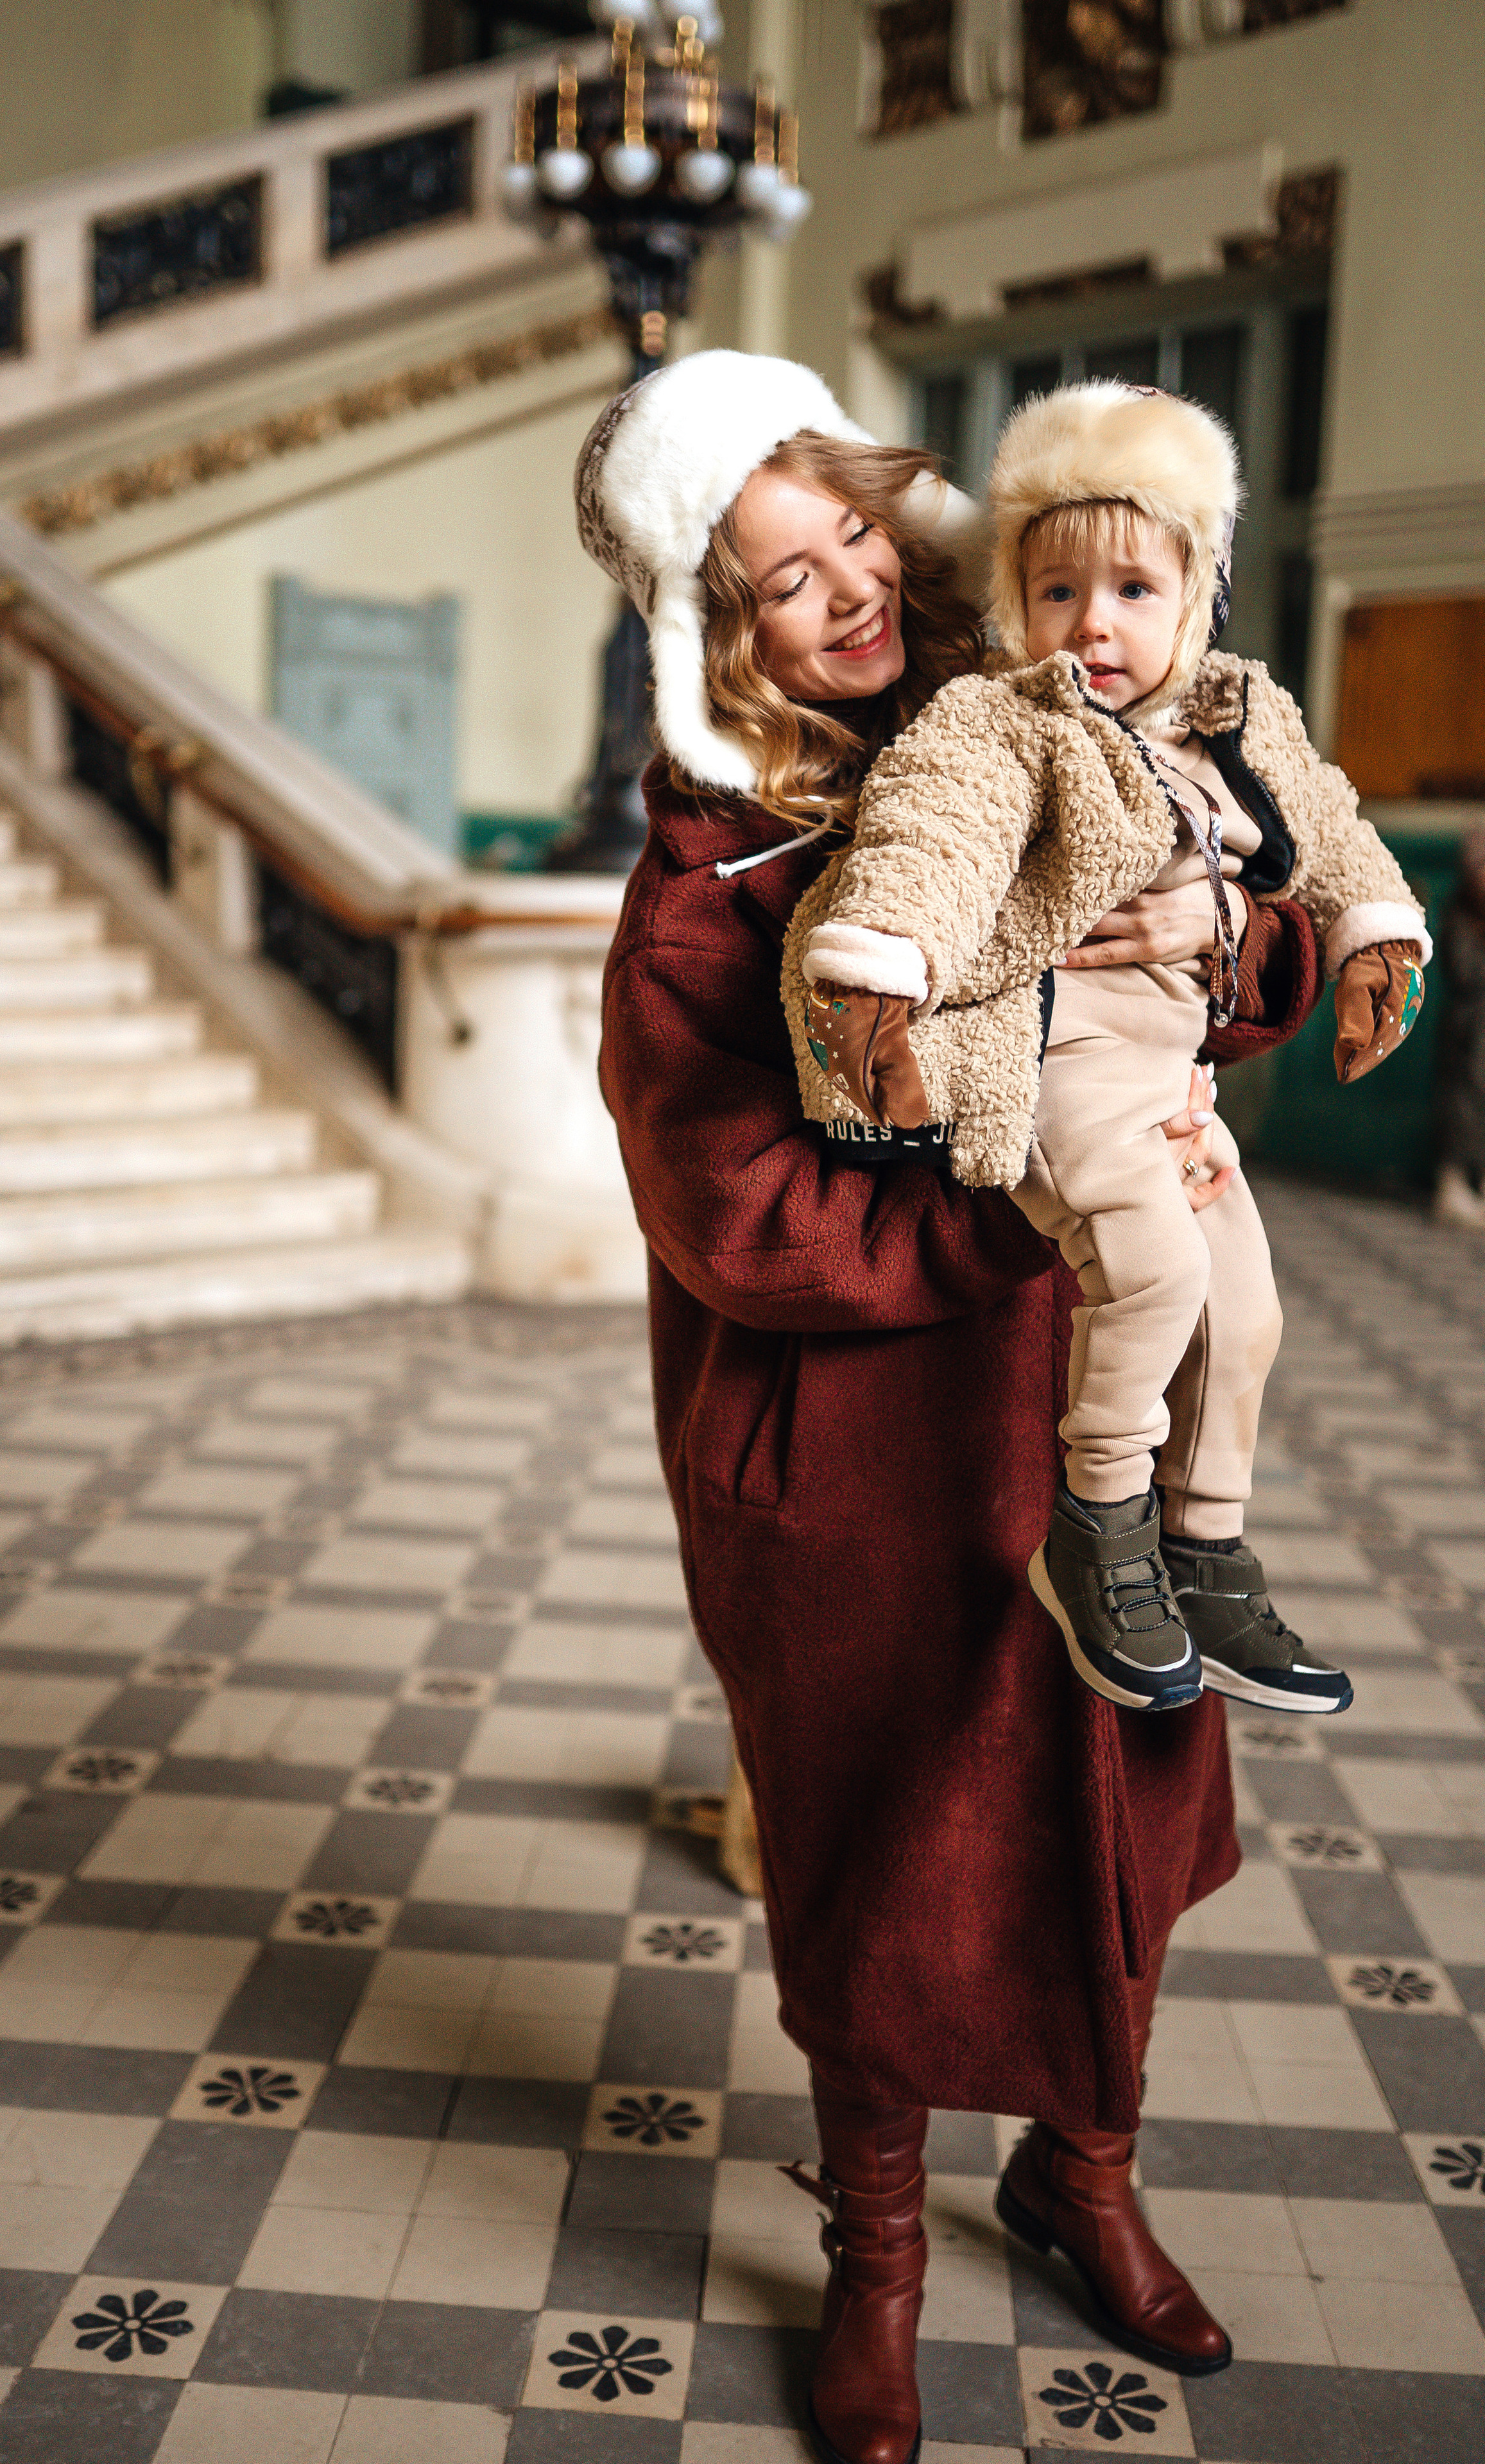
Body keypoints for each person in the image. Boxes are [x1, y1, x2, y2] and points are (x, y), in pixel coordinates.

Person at [582, 351, 1325, 2464]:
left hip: (1094, 1419)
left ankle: (1083, 2179)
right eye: (774, 581)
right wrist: (1019, 1224)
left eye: (849, 536)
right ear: (705, 631)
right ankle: (880, 2256)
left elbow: (1217, 957)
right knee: (889, 1853)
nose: (843, 600)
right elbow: (738, 1217)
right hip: (861, 1467)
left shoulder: (1052, 717)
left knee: (1120, 1803)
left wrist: (1230, 936)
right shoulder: (703, 882)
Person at [789, 382, 1427, 1722]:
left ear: (1195, 595)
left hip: (1174, 1087)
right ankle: (1095, 1526)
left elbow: (1328, 826)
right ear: (1015, 600)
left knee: (1240, 1310)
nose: (1094, 625)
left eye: (1134, 591)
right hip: (1060, 1065)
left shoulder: (1234, 723)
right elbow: (932, 840)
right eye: (1058, 589)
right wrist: (881, 968)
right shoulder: (999, 722)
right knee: (1150, 1274)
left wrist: (1368, 933)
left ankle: (1201, 1544)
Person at [1434, 821, 1485, 1229]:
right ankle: (1452, 1184)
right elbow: (1463, 972)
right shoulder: (1460, 913)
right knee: (1463, 1103)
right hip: (1467, 1029)